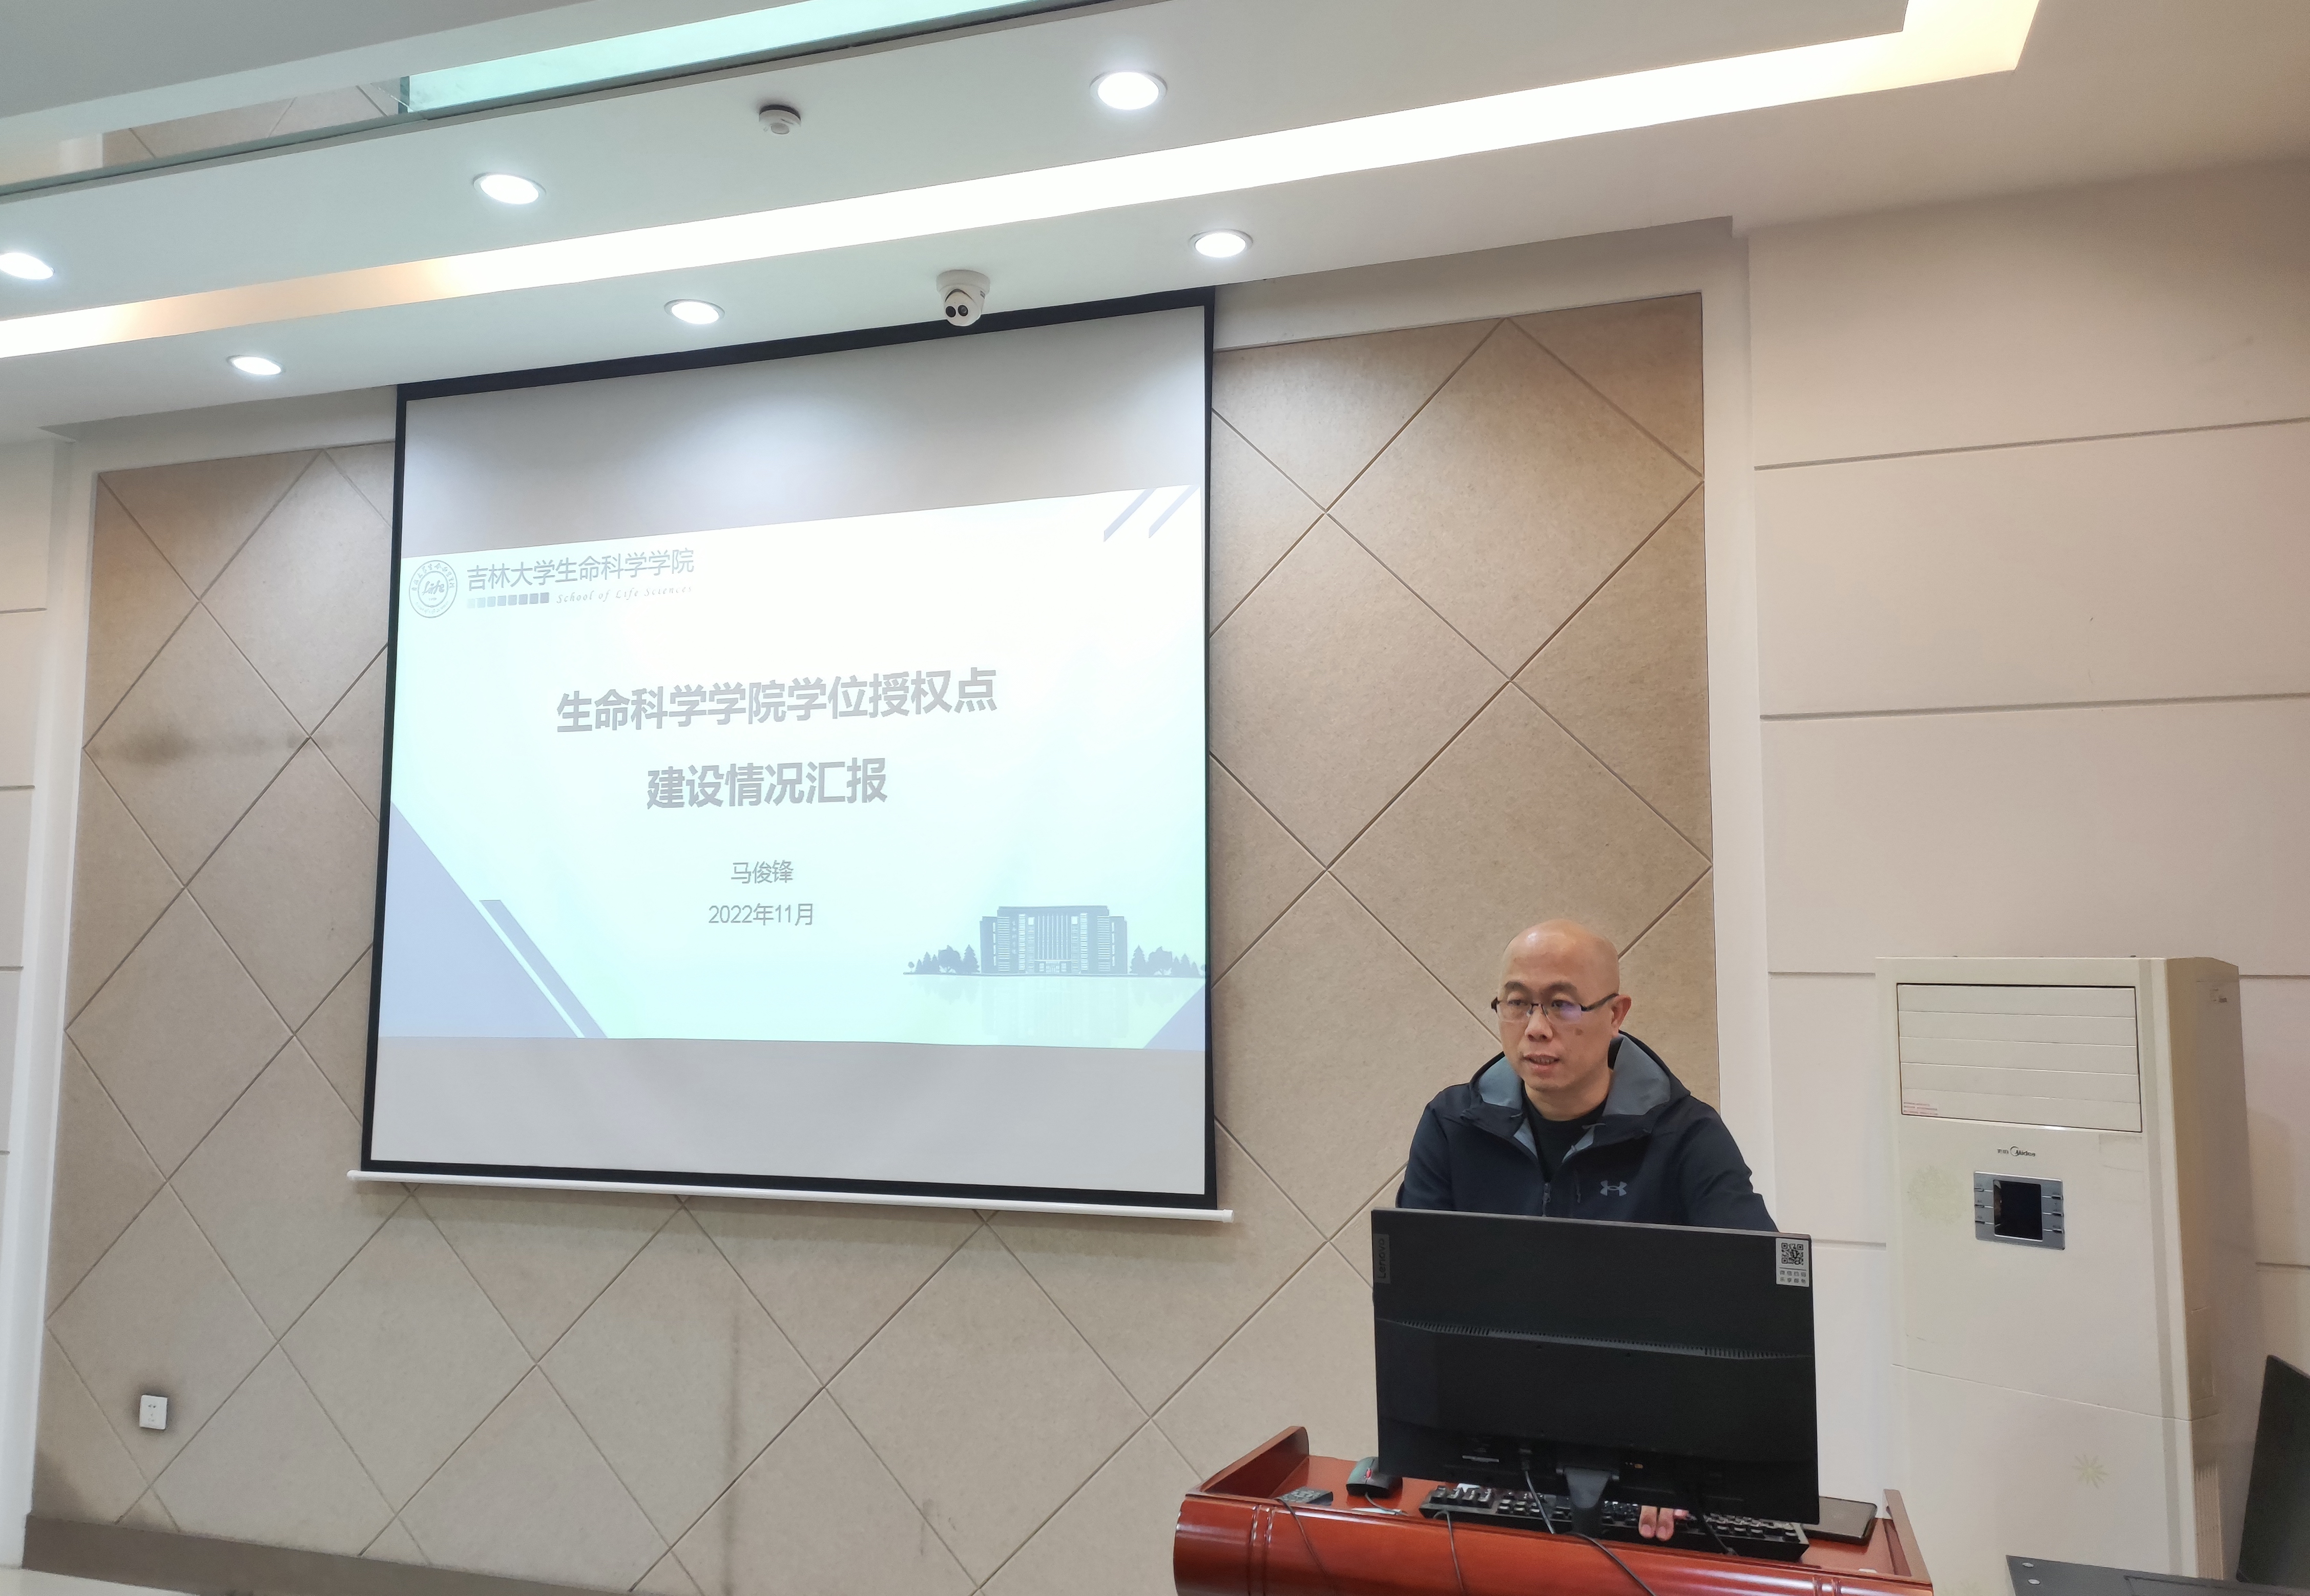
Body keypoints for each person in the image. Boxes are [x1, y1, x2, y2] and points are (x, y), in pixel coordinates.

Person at [1396, 917, 1776, 1541]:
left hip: (1647, 1446)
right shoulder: (1452, 1125)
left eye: (1563, 1004)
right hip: (1495, 1442)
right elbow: (1416, 1301)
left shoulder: (1686, 1135)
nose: (1536, 1026)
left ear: (1615, 1013)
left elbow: (1753, 1299)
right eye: (1517, 1002)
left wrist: (1684, 1456)